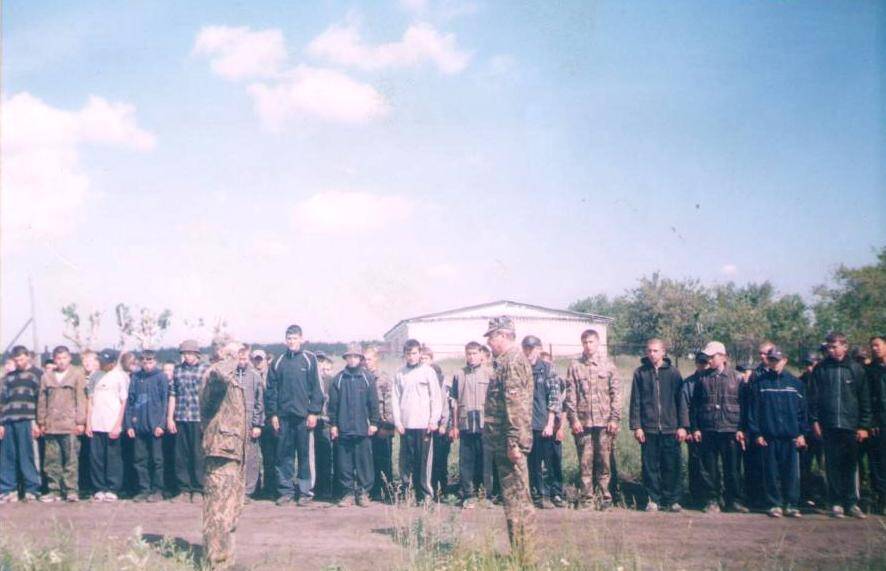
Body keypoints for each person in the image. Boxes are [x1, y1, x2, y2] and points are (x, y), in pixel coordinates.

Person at [483, 317, 535, 564]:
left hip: (509, 445)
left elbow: (516, 406)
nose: (490, 343)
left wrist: (514, 443)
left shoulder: (512, 362)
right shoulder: (504, 362)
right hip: (503, 443)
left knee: (518, 501)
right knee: (513, 500)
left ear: (503, 336)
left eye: (491, 337)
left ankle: (525, 557)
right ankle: (520, 554)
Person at [809, 332, 872, 518]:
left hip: (850, 426)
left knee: (851, 465)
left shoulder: (856, 369)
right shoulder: (821, 369)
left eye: (835, 346)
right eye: (829, 347)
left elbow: (864, 399)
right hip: (828, 425)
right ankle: (835, 503)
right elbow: (813, 398)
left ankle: (852, 502)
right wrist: (814, 421)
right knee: (832, 465)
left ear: (845, 346)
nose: (831, 350)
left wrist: (863, 426)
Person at [201, 341, 248, 570]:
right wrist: (228, 357)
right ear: (221, 354)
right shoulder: (215, 376)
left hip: (232, 452)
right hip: (220, 451)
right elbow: (219, 378)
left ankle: (226, 561)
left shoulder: (231, 378)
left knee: (231, 509)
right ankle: (216, 564)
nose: (239, 356)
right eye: (234, 352)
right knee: (218, 511)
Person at [266, 324, 324, 506]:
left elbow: (317, 388)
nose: (292, 341)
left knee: (305, 455)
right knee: (284, 455)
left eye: (295, 338)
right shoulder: (278, 361)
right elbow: (271, 390)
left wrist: (313, 412)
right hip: (284, 417)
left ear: (301, 339)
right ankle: (286, 491)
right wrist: (273, 414)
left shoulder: (310, 359)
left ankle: (305, 491)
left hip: (304, 417)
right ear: (286, 340)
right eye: (289, 338)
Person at [746, 346, 808, 518]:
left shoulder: (796, 384)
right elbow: (753, 412)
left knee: (791, 473)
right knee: (771, 473)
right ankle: (774, 504)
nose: (774, 363)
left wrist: (802, 433)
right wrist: (756, 433)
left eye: (777, 360)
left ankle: (792, 504)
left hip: (791, 436)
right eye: (772, 360)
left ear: (785, 360)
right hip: (769, 436)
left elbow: (803, 412)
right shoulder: (760, 383)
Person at [686, 341, 748, 513]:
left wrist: (742, 429)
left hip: (731, 430)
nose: (709, 360)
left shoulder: (738, 378)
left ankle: (734, 500)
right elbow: (695, 406)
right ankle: (712, 500)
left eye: (712, 357)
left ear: (723, 356)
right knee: (709, 469)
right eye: (708, 357)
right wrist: (695, 428)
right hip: (708, 429)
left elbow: (745, 406)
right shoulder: (702, 378)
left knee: (733, 468)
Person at [564, 329, 621, 510]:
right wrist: (573, 420)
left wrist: (614, 419)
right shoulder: (574, 366)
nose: (588, 346)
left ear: (598, 343)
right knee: (585, 462)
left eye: (591, 342)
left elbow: (616, 394)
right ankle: (587, 498)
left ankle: (605, 497)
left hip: (604, 423)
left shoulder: (608, 365)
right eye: (585, 342)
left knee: (604, 461)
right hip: (583, 423)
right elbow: (570, 396)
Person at [630, 339, 684, 512]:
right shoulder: (640, 373)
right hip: (649, 429)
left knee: (671, 465)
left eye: (655, 351)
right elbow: (635, 402)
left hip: (670, 428)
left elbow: (681, 402)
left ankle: (672, 500)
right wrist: (637, 426)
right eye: (649, 351)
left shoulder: (674, 373)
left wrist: (683, 426)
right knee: (650, 466)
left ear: (663, 352)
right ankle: (653, 499)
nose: (652, 354)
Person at [329, 344, 379, 507]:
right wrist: (334, 425)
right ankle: (348, 493)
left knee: (364, 463)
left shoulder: (367, 378)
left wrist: (373, 422)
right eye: (349, 357)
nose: (352, 359)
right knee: (345, 464)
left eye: (355, 357)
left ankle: (363, 493)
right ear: (345, 359)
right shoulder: (339, 379)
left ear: (360, 359)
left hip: (362, 429)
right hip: (343, 429)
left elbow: (373, 403)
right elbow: (333, 405)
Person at [392, 339, 441, 503]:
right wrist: (397, 421)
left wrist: (433, 420)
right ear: (404, 355)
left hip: (424, 425)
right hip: (406, 425)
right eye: (408, 353)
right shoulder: (400, 373)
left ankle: (425, 494)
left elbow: (436, 397)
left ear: (420, 353)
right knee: (406, 461)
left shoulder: (428, 372)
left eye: (414, 353)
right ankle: (407, 493)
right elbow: (395, 398)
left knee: (423, 461)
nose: (411, 357)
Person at [37, 345, 88, 502]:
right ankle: (54, 490)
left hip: (70, 424)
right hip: (51, 425)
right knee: (52, 460)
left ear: (70, 358)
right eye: (58, 358)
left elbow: (81, 399)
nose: (61, 361)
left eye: (64, 358)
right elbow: (42, 400)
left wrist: (80, 422)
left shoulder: (77, 374)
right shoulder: (46, 377)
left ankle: (71, 490)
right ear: (54, 359)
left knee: (71, 459)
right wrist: (41, 421)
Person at [450, 341, 494, 508]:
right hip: (466, 424)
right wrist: (454, 426)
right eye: (469, 353)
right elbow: (453, 402)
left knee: (486, 460)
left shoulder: (490, 374)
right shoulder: (459, 374)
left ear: (481, 355)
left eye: (475, 353)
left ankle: (486, 495)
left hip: (485, 425)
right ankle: (468, 495)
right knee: (466, 461)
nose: (472, 356)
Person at [522, 335, 563, 509]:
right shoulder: (521, 368)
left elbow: (554, 398)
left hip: (543, 424)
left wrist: (550, 423)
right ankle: (537, 495)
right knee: (532, 463)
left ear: (539, 349)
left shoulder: (547, 369)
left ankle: (552, 494)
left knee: (549, 461)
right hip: (525, 425)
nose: (529, 352)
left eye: (532, 348)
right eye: (526, 348)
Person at [86, 350, 132, 502]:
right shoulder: (94, 376)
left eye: (105, 362)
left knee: (113, 458)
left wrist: (118, 425)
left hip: (112, 424)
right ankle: (99, 488)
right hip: (96, 424)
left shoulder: (120, 376)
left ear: (113, 362)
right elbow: (90, 400)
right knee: (96, 458)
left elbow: (124, 401)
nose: (102, 364)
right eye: (101, 361)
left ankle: (113, 488)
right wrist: (88, 423)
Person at [0, 345, 43, 503]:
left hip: (27, 420)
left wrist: (38, 423)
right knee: (7, 457)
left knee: (27, 456)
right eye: (16, 360)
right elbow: (2, 401)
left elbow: (40, 401)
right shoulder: (8, 378)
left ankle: (32, 489)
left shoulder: (36, 376)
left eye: (22, 359)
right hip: (9, 421)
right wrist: (1, 423)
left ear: (28, 357)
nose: (19, 362)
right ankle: (7, 490)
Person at [168, 340, 209, 502]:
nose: (188, 356)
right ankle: (184, 489)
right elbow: (173, 395)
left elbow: (209, 397)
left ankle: (198, 489)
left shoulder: (205, 370)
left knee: (198, 455)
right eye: (185, 353)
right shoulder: (178, 371)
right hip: (181, 417)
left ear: (197, 354)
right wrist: (170, 418)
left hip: (198, 418)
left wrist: (207, 421)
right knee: (181, 455)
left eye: (191, 353)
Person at [125, 350, 169, 502]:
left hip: (155, 425)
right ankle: (144, 489)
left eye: (150, 362)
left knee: (157, 460)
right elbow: (130, 401)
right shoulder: (136, 377)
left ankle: (158, 490)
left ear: (155, 362)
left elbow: (165, 402)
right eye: (144, 362)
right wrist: (129, 424)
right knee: (139, 459)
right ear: (140, 362)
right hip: (139, 426)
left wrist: (161, 424)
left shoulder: (161, 377)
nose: (147, 365)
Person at [678, 351, 711, 508]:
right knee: (695, 463)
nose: (703, 365)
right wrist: (687, 428)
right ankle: (696, 496)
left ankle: (711, 497)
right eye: (700, 362)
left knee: (710, 465)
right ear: (696, 363)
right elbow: (684, 406)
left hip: (711, 429)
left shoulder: (713, 379)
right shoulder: (689, 383)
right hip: (694, 430)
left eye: (706, 362)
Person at [365, 346, 395, 502]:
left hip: (382, 425)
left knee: (383, 459)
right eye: (364, 359)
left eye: (369, 359)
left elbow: (389, 402)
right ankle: (372, 489)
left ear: (376, 360)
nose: (366, 362)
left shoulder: (383, 378)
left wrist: (388, 427)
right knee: (368, 460)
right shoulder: (362, 377)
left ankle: (387, 491)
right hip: (366, 425)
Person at [422, 346, 452, 499]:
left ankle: (443, 490)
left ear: (431, 359)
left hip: (440, 426)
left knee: (440, 460)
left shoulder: (439, 378)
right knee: (427, 461)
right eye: (421, 359)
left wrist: (444, 425)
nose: (423, 362)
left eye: (425, 359)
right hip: (424, 425)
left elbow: (445, 404)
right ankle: (429, 490)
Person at [235, 347, 265, 501]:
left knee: (251, 457)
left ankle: (248, 491)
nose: (242, 362)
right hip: (233, 424)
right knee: (235, 457)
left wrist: (257, 424)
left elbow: (260, 403)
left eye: (245, 359)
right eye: (239, 359)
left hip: (250, 423)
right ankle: (235, 491)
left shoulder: (255, 376)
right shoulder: (230, 375)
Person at [798, 354, 824, 507]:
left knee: (823, 465)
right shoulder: (800, 382)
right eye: (807, 364)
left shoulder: (824, 381)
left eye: (812, 364)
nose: (810, 368)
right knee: (804, 465)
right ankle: (806, 496)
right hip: (806, 430)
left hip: (822, 429)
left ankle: (824, 496)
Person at [251, 348, 277, 498]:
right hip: (255, 420)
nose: (259, 362)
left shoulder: (272, 376)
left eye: (261, 359)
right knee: (254, 456)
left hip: (269, 419)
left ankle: (271, 488)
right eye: (256, 359)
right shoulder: (251, 375)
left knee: (270, 456)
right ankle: (255, 487)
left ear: (267, 360)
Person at [313, 352, 336, 500]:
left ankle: (326, 488)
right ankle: (315, 487)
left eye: (322, 361)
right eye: (317, 361)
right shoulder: (310, 380)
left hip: (326, 423)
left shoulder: (330, 381)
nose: (320, 364)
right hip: (312, 422)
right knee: (312, 457)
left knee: (326, 456)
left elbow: (334, 403)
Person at [869, 335, 886, 514]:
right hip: (879, 423)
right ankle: (881, 498)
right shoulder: (870, 371)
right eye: (872, 346)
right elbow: (866, 399)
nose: (874, 349)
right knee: (879, 462)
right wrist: (870, 421)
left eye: (878, 345)